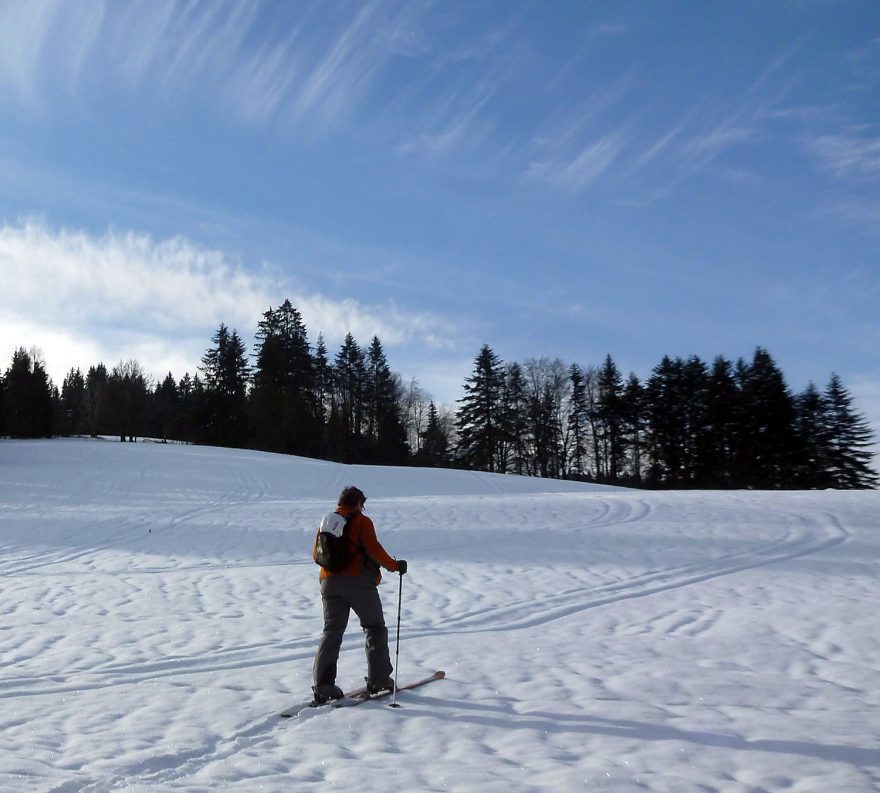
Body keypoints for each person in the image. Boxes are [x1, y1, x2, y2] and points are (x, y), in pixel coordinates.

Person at [311, 485, 407, 704]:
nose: (362, 509)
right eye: (362, 505)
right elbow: (374, 549)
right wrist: (395, 566)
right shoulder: (362, 521)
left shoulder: (326, 522)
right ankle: (379, 679)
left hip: (328, 581)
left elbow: (316, 554)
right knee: (374, 628)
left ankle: (323, 686)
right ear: (357, 503)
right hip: (357, 583)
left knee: (331, 632)